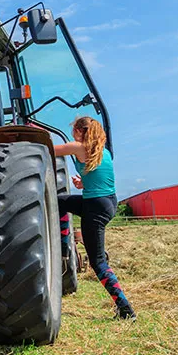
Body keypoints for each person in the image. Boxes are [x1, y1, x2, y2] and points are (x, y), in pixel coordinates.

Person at [54, 116, 136, 320]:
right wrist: (82, 184)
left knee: (98, 262)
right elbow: (98, 180)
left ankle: (126, 309)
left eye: (74, 130)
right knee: (61, 202)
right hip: (107, 202)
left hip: (94, 207)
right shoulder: (102, 152)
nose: (73, 133)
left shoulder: (79, 146)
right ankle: (65, 245)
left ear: (81, 131)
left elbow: (49, 150)